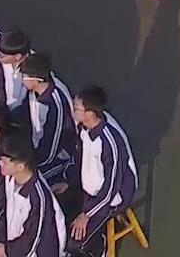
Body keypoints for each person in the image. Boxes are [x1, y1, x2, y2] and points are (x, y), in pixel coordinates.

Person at [66, 86, 135, 255]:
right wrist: (68, 181)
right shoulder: (83, 127)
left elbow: (111, 189)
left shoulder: (110, 143)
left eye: (76, 108)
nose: (72, 110)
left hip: (112, 198)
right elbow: (81, 158)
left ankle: (99, 247)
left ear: (90, 113)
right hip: (89, 190)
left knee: (75, 245)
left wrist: (87, 214)